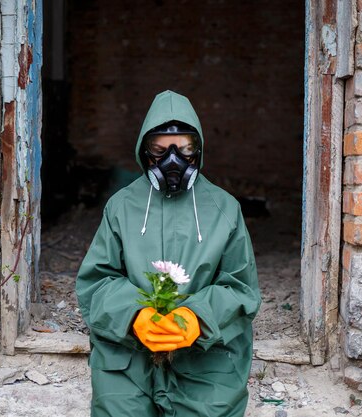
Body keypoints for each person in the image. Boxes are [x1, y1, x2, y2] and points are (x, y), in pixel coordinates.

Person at [76, 90, 261, 417]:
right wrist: (134, 315)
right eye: (159, 151)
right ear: (144, 153)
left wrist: (197, 318)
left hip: (204, 357)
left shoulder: (225, 208)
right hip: (128, 355)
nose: (172, 162)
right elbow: (96, 281)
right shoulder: (121, 206)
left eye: (184, 150)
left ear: (198, 149)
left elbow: (241, 289)